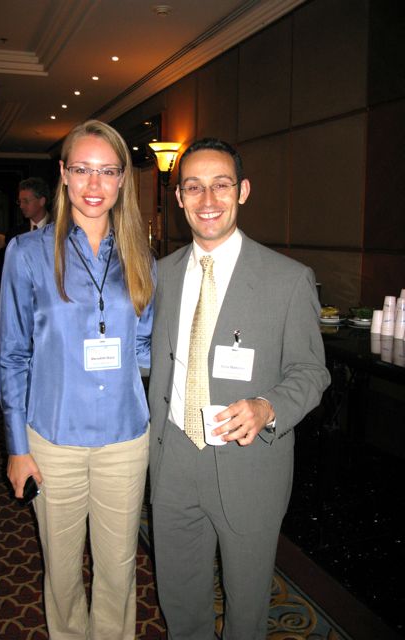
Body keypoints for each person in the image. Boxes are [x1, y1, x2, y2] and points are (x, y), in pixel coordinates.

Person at [148, 137, 330, 640]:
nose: (208, 199)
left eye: (221, 185)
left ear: (243, 191)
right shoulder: (160, 276)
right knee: (179, 599)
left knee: (247, 608)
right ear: (179, 198)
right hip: (173, 459)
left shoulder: (288, 280)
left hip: (250, 465)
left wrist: (268, 406)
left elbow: (311, 371)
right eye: (194, 187)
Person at [0, 120, 154, 640]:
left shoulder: (139, 254)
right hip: (53, 439)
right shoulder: (28, 253)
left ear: (122, 179)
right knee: (62, 572)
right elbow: (12, 356)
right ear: (63, 174)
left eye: (107, 172)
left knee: (118, 571)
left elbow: (144, 349)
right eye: (83, 169)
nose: (94, 184)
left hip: (124, 439)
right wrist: (17, 447)